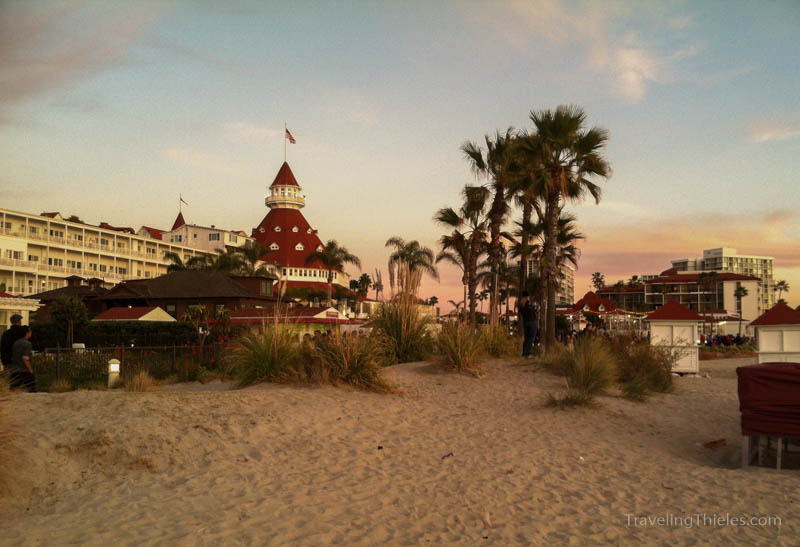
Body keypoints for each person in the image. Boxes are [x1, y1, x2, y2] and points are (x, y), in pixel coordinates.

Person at [9, 326, 36, 392]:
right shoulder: (27, 344)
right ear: (27, 333)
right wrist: (31, 370)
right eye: (30, 331)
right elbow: (25, 358)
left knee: (13, 391)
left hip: (14, 370)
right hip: (24, 371)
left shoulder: (15, 343)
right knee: (32, 390)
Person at [518, 291, 537, 358]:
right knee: (531, 338)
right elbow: (534, 311)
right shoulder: (529, 304)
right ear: (527, 297)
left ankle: (524, 353)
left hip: (525, 322)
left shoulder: (521, 305)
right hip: (532, 322)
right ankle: (528, 353)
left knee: (526, 338)